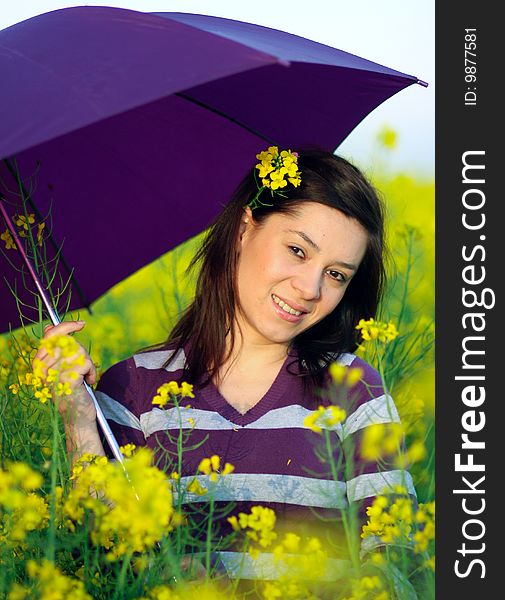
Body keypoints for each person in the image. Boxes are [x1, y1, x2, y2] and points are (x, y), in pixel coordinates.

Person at [34, 146, 416, 583]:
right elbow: (103, 561)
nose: (310, 288)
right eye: (297, 250)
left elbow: (397, 562)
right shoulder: (134, 388)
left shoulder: (353, 388)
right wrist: (79, 419)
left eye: (336, 275)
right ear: (243, 228)